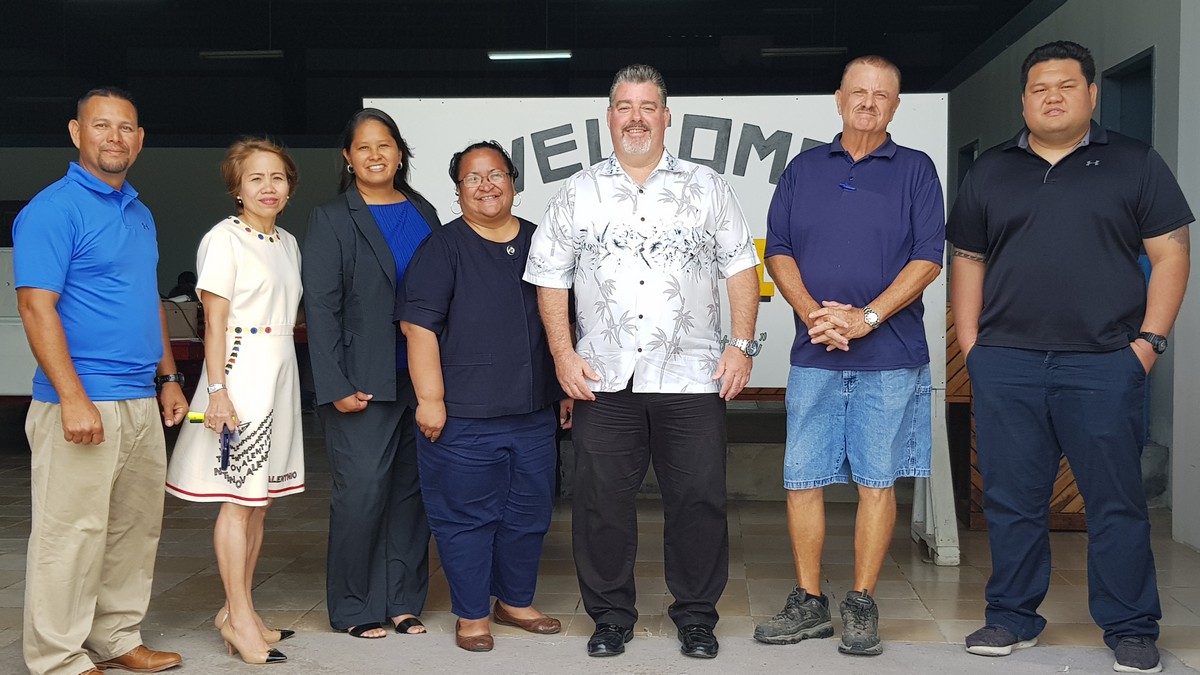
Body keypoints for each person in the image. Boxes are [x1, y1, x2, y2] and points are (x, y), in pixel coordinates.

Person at [948, 40, 1191, 674]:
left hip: (1106, 361)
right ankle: (1011, 616)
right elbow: (967, 260)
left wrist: (1148, 344)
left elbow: (1171, 255)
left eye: (1064, 86)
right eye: (1038, 89)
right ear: (1023, 99)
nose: (1051, 97)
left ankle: (1132, 626)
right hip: (1009, 363)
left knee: (1115, 501)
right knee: (1011, 498)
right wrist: (973, 347)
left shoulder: (1135, 163)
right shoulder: (992, 171)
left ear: (1091, 94)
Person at [524, 64, 760, 660]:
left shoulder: (707, 187)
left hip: (693, 374)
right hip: (604, 377)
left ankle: (697, 616)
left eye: (647, 106)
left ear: (666, 116)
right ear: (609, 117)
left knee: (700, 499)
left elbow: (740, 268)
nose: (636, 117)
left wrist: (741, 345)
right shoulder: (577, 192)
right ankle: (609, 616)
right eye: (624, 106)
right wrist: (562, 355)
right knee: (600, 502)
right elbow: (549, 278)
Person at [754, 55, 944, 657]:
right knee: (803, 480)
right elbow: (778, 249)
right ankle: (809, 602)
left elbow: (928, 257)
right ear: (838, 99)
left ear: (895, 105)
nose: (868, 102)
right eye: (858, 92)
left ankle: (861, 602)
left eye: (882, 94)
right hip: (815, 353)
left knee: (876, 481)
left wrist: (864, 319)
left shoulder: (916, 170)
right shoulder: (803, 169)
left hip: (890, 357)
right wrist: (815, 314)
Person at [13, 87, 185, 675]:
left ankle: (115, 636)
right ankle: (57, 656)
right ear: (75, 133)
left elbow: (149, 302)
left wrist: (168, 377)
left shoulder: (139, 212)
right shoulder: (52, 210)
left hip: (139, 399)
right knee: (71, 536)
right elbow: (37, 307)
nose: (115, 137)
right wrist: (73, 397)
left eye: (126, 128)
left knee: (132, 533)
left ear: (140, 138)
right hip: (81, 402)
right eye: (101, 126)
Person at [401, 141, 569, 652]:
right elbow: (418, 326)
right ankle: (472, 613)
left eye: (496, 174)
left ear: (514, 183)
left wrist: (564, 388)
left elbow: (564, 320)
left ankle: (514, 602)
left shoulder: (543, 242)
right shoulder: (444, 247)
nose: (486, 185)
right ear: (457, 192)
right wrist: (430, 400)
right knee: (466, 518)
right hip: (464, 418)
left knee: (528, 514)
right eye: (473, 178)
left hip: (534, 412)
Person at [165, 138, 305, 664]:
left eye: (278, 178)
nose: (268, 188)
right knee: (236, 501)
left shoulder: (287, 242)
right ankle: (239, 619)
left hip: (280, 369)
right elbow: (214, 322)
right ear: (236, 188)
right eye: (256, 179)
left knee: (258, 501)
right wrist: (217, 391)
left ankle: (236, 609)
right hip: (241, 372)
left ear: (290, 187)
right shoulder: (223, 240)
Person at [303, 108, 440, 639]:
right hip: (360, 381)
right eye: (364, 147)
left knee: (410, 494)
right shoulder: (332, 217)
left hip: (419, 380)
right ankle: (355, 606)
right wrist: (333, 384)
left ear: (400, 152)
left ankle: (403, 601)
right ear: (348, 158)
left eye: (385, 145)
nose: (376, 155)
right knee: (361, 493)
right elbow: (321, 306)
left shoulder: (424, 210)